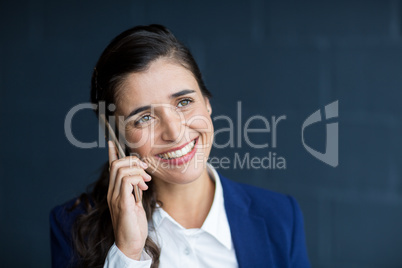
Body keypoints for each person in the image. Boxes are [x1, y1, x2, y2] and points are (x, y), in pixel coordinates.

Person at [50, 24, 311, 268]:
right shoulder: (73, 226)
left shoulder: (280, 216)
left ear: (207, 102)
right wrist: (127, 253)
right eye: (145, 118)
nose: (174, 132)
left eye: (184, 102)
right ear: (119, 137)